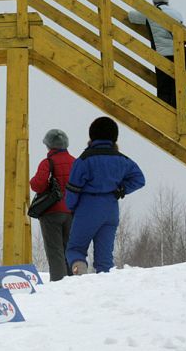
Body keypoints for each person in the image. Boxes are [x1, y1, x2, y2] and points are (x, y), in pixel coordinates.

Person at [65, 117, 145, 275]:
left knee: (75, 249)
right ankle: (106, 290)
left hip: (87, 208)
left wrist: (72, 207)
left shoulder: (84, 160)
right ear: (114, 137)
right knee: (104, 259)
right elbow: (139, 179)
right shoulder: (122, 160)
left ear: (92, 136)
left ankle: (80, 275)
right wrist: (121, 190)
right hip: (111, 210)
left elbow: (73, 190)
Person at [128, 0, 186, 107]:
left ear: (154, 1)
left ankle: (165, 116)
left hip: (163, 55)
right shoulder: (177, 14)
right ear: (167, 0)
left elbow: (132, 17)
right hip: (179, 55)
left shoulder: (152, 12)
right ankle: (177, 114)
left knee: (164, 87)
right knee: (177, 88)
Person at [29, 129, 76, 282]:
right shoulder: (75, 162)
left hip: (51, 212)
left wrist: (33, 181)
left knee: (55, 251)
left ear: (49, 146)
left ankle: (59, 283)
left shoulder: (47, 162)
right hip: (71, 212)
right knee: (70, 249)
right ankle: (74, 281)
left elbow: (38, 186)